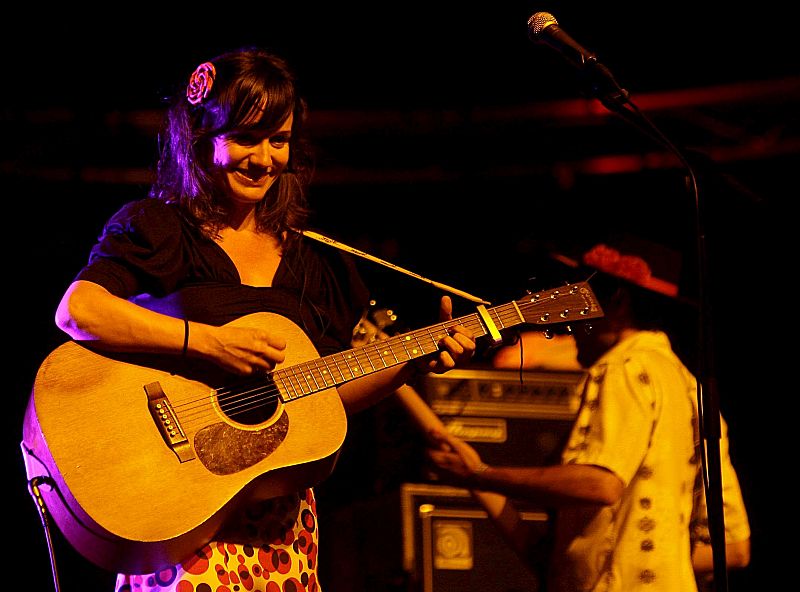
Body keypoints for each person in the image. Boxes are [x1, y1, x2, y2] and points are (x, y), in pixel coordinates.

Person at [53, 46, 476, 592]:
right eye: (246, 138)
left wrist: (414, 362)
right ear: (202, 138)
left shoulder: (314, 261)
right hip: (181, 513)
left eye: (279, 141)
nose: (264, 159)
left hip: (281, 529)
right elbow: (79, 310)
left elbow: (319, 397)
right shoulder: (160, 230)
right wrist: (207, 344)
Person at [425, 237, 750, 591]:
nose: (568, 322)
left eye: (577, 303)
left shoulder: (623, 366)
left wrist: (483, 473)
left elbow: (601, 483)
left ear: (617, 301)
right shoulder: (693, 392)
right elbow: (734, 549)